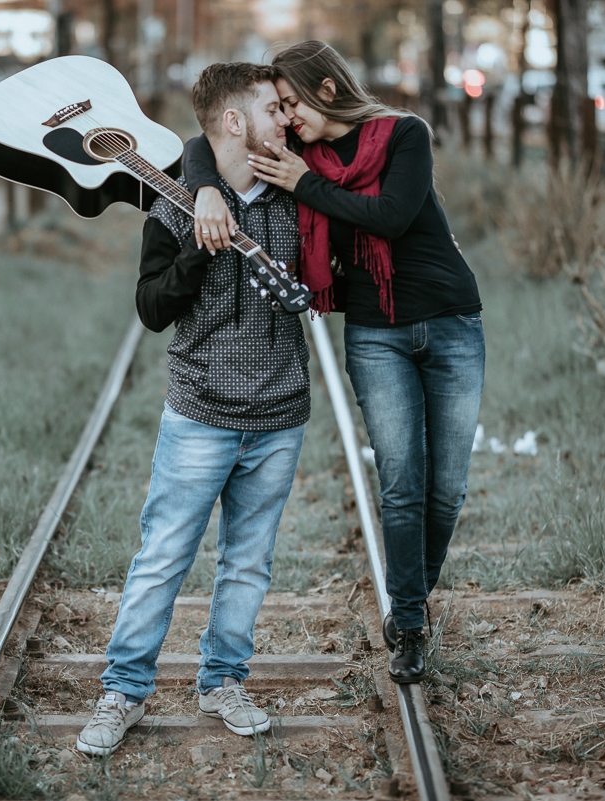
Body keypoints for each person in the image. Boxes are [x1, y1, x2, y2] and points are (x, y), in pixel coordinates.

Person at [184, 40, 484, 686]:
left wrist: (306, 184)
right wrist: (206, 189)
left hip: (452, 323)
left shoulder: (402, 135)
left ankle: (412, 591)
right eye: (278, 109)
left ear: (324, 91)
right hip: (377, 331)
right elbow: (201, 143)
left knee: (447, 487)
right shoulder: (299, 161)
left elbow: (393, 217)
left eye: (290, 103)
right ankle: (408, 622)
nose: (286, 120)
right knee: (402, 481)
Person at [76, 62, 311, 757]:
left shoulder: (296, 194)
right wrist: (202, 247)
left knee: (248, 562)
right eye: (273, 109)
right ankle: (122, 688)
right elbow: (151, 309)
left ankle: (223, 680)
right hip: (200, 413)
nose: (285, 120)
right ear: (234, 121)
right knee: (163, 557)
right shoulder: (176, 204)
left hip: (280, 414)